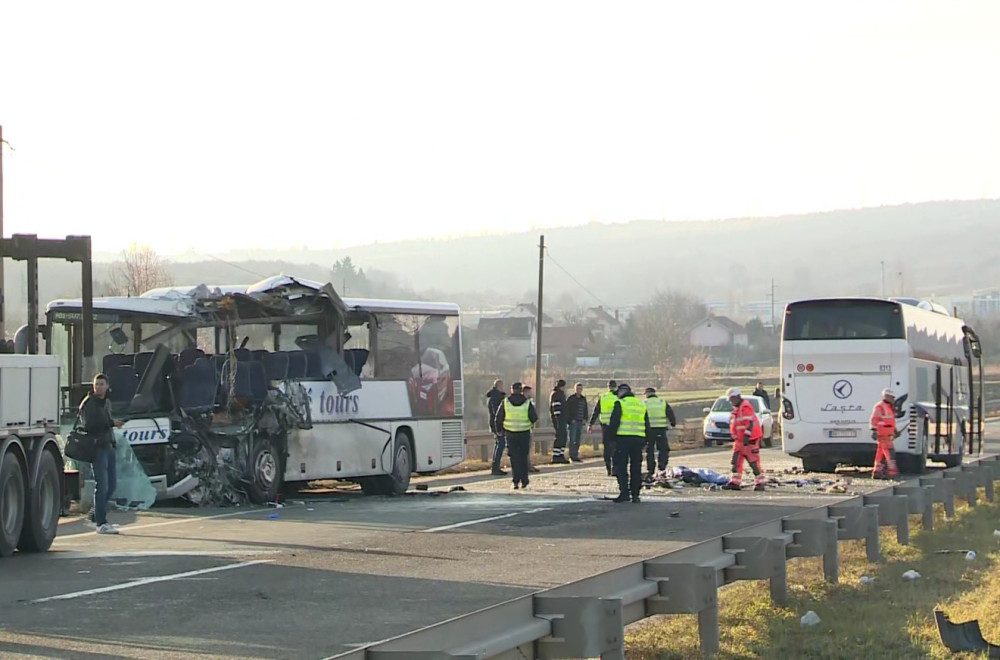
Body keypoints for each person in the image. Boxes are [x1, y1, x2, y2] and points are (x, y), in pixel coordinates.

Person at [79, 373, 124, 534]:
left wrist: (113, 441)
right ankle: (101, 523)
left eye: (101, 384)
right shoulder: (89, 403)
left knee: (111, 485)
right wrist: (112, 423)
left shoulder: (106, 403)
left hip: (108, 446)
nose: (98, 387)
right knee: (102, 485)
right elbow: (90, 424)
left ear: (107, 386)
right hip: (96, 448)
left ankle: (94, 516)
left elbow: (107, 424)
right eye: (96, 384)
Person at [607, 383, 649, 503]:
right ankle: (635, 494)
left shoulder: (620, 403)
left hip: (623, 439)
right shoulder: (641, 405)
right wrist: (646, 440)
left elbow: (614, 422)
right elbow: (647, 424)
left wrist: (611, 439)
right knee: (636, 467)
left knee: (621, 466)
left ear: (621, 392)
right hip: (638, 439)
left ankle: (624, 493)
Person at [493, 382, 538, 490]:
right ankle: (524, 481)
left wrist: (499, 430)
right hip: (524, 433)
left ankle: (515, 481)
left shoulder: (505, 402)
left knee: (514, 458)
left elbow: (498, 418)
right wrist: (530, 425)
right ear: (521, 390)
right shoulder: (527, 403)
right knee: (523, 458)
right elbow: (534, 418)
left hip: (510, 434)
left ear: (512, 390)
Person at [723, 388, 766, 491]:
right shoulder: (737, 409)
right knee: (736, 462)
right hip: (739, 441)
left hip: (749, 440)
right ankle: (735, 482)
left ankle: (760, 482)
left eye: (732, 399)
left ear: (738, 397)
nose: (731, 402)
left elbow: (749, 423)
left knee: (753, 462)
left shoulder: (745, 407)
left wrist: (747, 436)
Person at [643, 387, 676, 481]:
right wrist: (673, 423)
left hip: (649, 430)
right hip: (661, 429)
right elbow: (670, 413)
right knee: (663, 449)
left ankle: (651, 469)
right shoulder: (662, 402)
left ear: (646, 394)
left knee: (650, 450)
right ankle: (662, 466)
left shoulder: (644, 403)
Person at [588, 380, 620, 476]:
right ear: (615, 387)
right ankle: (615, 468)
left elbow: (596, 411)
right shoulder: (618, 397)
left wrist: (591, 424)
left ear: (607, 387)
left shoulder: (603, 397)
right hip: (616, 426)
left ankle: (608, 468)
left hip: (605, 426)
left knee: (607, 448)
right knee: (615, 448)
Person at [870, 388, 900, 479]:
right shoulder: (880, 407)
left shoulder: (889, 407)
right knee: (890, 453)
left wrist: (895, 430)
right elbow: (874, 419)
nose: (893, 399)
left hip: (887, 434)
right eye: (892, 397)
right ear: (886, 396)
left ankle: (877, 471)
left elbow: (890, 421)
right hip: (883, 434)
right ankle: (892, 472)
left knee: (880, 454)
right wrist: (874, 430)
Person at [485, 379, 508, 476]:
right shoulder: (496, 398)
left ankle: (495, 466)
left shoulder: (494, 397)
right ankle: (495, 467)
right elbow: (497, 413)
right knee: (500, 445)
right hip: (497, 425)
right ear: (499, 386)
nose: (503, 388)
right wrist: (500, 425)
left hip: (495, 424)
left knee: (498, 444)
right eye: (502, 386)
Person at [564, 383, 589, 462]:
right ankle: (572, 456)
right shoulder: (571, 399)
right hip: (573, 422)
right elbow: (567, 410)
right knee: (572, 439)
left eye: (580, 389)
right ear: (575, 389)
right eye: (577, 389)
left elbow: (585, 410)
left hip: (580, 422)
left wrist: (585, 418)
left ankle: (576, 455)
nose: (579, 390)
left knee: (578, 439)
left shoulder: (583, 399)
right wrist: (570, 420)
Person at [549, 379, 569, 463]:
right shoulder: (557, 395)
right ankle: (556, 456)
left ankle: (560, 455)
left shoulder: (559, 394)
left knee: (563, 437)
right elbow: (556, 408)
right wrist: (559, 419)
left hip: (562, 419)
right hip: (559, 420)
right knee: (560, 437)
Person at [522, 385, 540, 472]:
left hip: (527, 428)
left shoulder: (528, 401)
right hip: (524, 428)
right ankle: (527, 467)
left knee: (527, 449)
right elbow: (533, 416)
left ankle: (528, 465)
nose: (531, 393)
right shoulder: (525, 403)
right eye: (529, 392)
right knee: (525, 449)